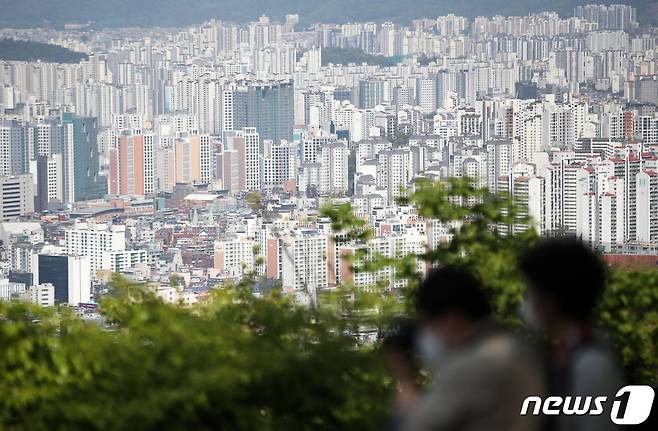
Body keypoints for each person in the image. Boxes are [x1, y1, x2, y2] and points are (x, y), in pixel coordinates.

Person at [388, 265, 545, 431]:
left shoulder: (474, 365)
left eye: (429, 325)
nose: (428, 337)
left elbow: (414, 426)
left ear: (453, 319)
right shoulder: (520, 347)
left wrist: (405, 381)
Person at [519, 239, 625, 431]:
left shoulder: (592, 364)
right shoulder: (565, 354)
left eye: (531, 291)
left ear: (551, 300)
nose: (526, 300)